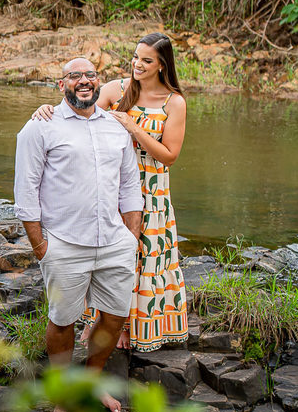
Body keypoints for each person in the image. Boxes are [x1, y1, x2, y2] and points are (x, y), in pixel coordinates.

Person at [32, 33, 188, 352]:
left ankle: (134, 326)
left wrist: (134, 128)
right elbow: (80, 112)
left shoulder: (174, 102)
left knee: (145, 254)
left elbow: (170, 155)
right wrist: (46, 110)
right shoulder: (117, 89)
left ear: (162, 66)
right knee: (106, 254)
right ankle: (99, 323)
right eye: (135, 57)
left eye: (146, 60)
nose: (137, 64)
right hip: (109, 182)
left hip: (152, 187)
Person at [14, 57, 143, 412]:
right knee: (62, 319)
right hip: (64, 243)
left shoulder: (116, 127)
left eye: (90, 75)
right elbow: (25, 191)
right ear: (61, 85)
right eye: (75, 76)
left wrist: (131, 238)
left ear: (98, 82)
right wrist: (41, 247)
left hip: (115, 242)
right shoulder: (41, 127)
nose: (83, 81)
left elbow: (131, 187)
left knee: (115, 316)